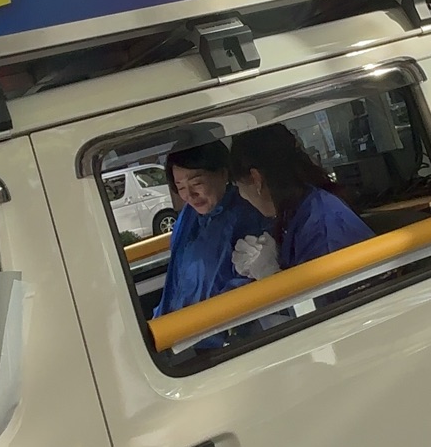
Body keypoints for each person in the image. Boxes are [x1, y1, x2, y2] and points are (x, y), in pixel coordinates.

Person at [229, 125, 372, 271]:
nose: (241, 194)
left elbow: (327, 290)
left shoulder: (321, 228)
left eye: (238, 185)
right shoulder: (300, 211)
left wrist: (271, 273)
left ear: (256, 179)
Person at [154, 136, 267, 317]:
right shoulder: (188, 216)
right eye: (180, 187)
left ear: (223, 173)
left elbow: (244, 292)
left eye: (197, 183)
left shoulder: (246, 217)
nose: (189, 195)